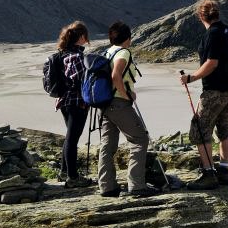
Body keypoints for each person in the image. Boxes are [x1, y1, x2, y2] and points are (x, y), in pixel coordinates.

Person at [179, 0, 228, 190]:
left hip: (214, 90)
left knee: (200, 129)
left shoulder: (212, 34)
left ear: (200, 16)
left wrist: (192, 77)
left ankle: (208, 173)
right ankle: (224, 171)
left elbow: (212, 62)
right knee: (224, 129)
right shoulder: (227, 31)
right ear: (217, 13)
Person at [97, 21, 159, 198]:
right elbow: (116, 75)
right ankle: (137, 185)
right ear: (128, 38)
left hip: (105, 104)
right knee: (139, 139)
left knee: (107, 145)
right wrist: (126, 95)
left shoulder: (107, 52)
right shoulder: (123, 52)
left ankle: (107, 186)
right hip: (119, 103)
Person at [55, 20, 94, 188]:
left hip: (64, 101)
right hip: (77, 102)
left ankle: (64, 171)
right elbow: (79, 80)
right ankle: (72, 177)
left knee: (70, 136)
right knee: (73, 138)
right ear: (82, 36)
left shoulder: (63, 53)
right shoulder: (77, 56)